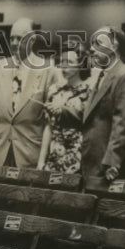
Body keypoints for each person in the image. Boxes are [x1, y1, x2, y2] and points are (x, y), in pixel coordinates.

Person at [0, 17, 66, 169]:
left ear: (33, 40)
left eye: (20, 38)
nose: (14, 43)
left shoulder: (49, 70)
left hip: (30, 154)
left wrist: (44, 159)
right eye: (12, 38)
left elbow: (51, 121)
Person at [80, 25, 125, 182]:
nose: (91, 49)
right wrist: (62, 113)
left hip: (107, 168)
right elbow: (94, 114)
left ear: (114, 46)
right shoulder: (103, 75)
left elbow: (124, 124)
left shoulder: (123, 76)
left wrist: (113, 162)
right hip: (92, 162)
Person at [42, 42, 90, 174]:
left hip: (78, 158)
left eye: (69, 61)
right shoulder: (54, 91)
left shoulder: (89, 92)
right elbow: (48, 128)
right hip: (54, 156)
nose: (63, 66)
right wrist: (41, 161)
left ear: (81, 64)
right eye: (62, 61)